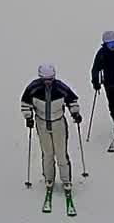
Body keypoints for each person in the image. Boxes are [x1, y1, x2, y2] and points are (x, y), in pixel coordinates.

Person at [20, 63, 82, 212]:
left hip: (58, 122)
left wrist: (75, 113)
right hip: (42, 122)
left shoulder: (60, 87)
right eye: (45, 80)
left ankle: (66, 180)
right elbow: (25, 103)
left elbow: (72, 100)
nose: (48, 82)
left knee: (61, 154)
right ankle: (49, 179)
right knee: (47, 153)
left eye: (51, 79)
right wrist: (28, 117)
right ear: (40, 78)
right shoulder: (33, 88)